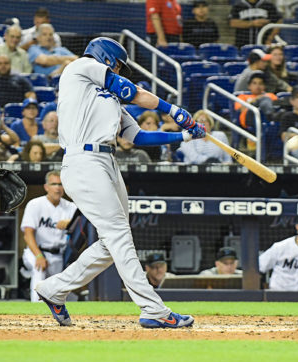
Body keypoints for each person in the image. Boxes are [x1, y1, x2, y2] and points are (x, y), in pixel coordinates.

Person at [34, 37, 204, 329]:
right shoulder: (80, 67)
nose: (120, 69)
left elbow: (138, 137)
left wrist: (184, 136)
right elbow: (131, 91)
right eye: (118, 64)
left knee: (111, 242)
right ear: (107, 57)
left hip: (107, 162)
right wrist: (173, 110)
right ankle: (153, 309)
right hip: (83, 161)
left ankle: (54, 289)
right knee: (119, 236)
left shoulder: (108, 99)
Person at [21, 171, 76, 303]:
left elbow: (83, 229)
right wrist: (38, 256)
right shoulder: (35, 204)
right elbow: (27, 234)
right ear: (46, 187)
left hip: (58, 254)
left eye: (61, 184)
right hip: (36, 251)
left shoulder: (71, 207)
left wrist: (71, 224)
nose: (58, 187)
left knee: (58, 289)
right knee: (38, 270)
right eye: (54, 184)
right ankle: (37, 310)